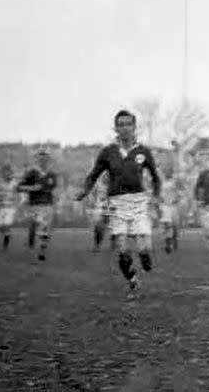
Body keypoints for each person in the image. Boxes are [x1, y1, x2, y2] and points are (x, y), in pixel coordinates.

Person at [75, 110, 161, 298]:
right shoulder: (108, 152)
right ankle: (133, 282)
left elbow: (155, 178)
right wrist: (85, 190)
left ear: (134, 127)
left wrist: (156, 197)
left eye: (128, 124)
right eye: (120, 125)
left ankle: (145, 257)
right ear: (115, 128)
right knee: (122, 250)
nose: (124, 128)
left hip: (138, 202)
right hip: (117, 204)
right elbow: (94, 174)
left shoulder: (143, 152)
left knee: (144, 248)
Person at [17, 148, 58, 261]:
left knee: (45, 229)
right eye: (41, 159)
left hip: (47, 205)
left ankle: (42, 251)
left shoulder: (52, 175)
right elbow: (19, 187)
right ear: (37, 160)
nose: (43, 161)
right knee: (34, 225)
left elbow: (52, 187)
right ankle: (31, 241)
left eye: (45, 159)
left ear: (48, 160)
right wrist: (32, 188)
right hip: (34, 205)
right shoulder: (31, 173)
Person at [0, 163, 18, 249]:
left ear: (11, 173)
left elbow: (20, 193)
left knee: (7, 224)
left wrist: (20, 200)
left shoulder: (14, 183)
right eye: (5, 172)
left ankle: (5, 244)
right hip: (1, 207)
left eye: (9, 172)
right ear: (2, 173)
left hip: (10, 207)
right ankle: (7, 235)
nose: (7, 174)